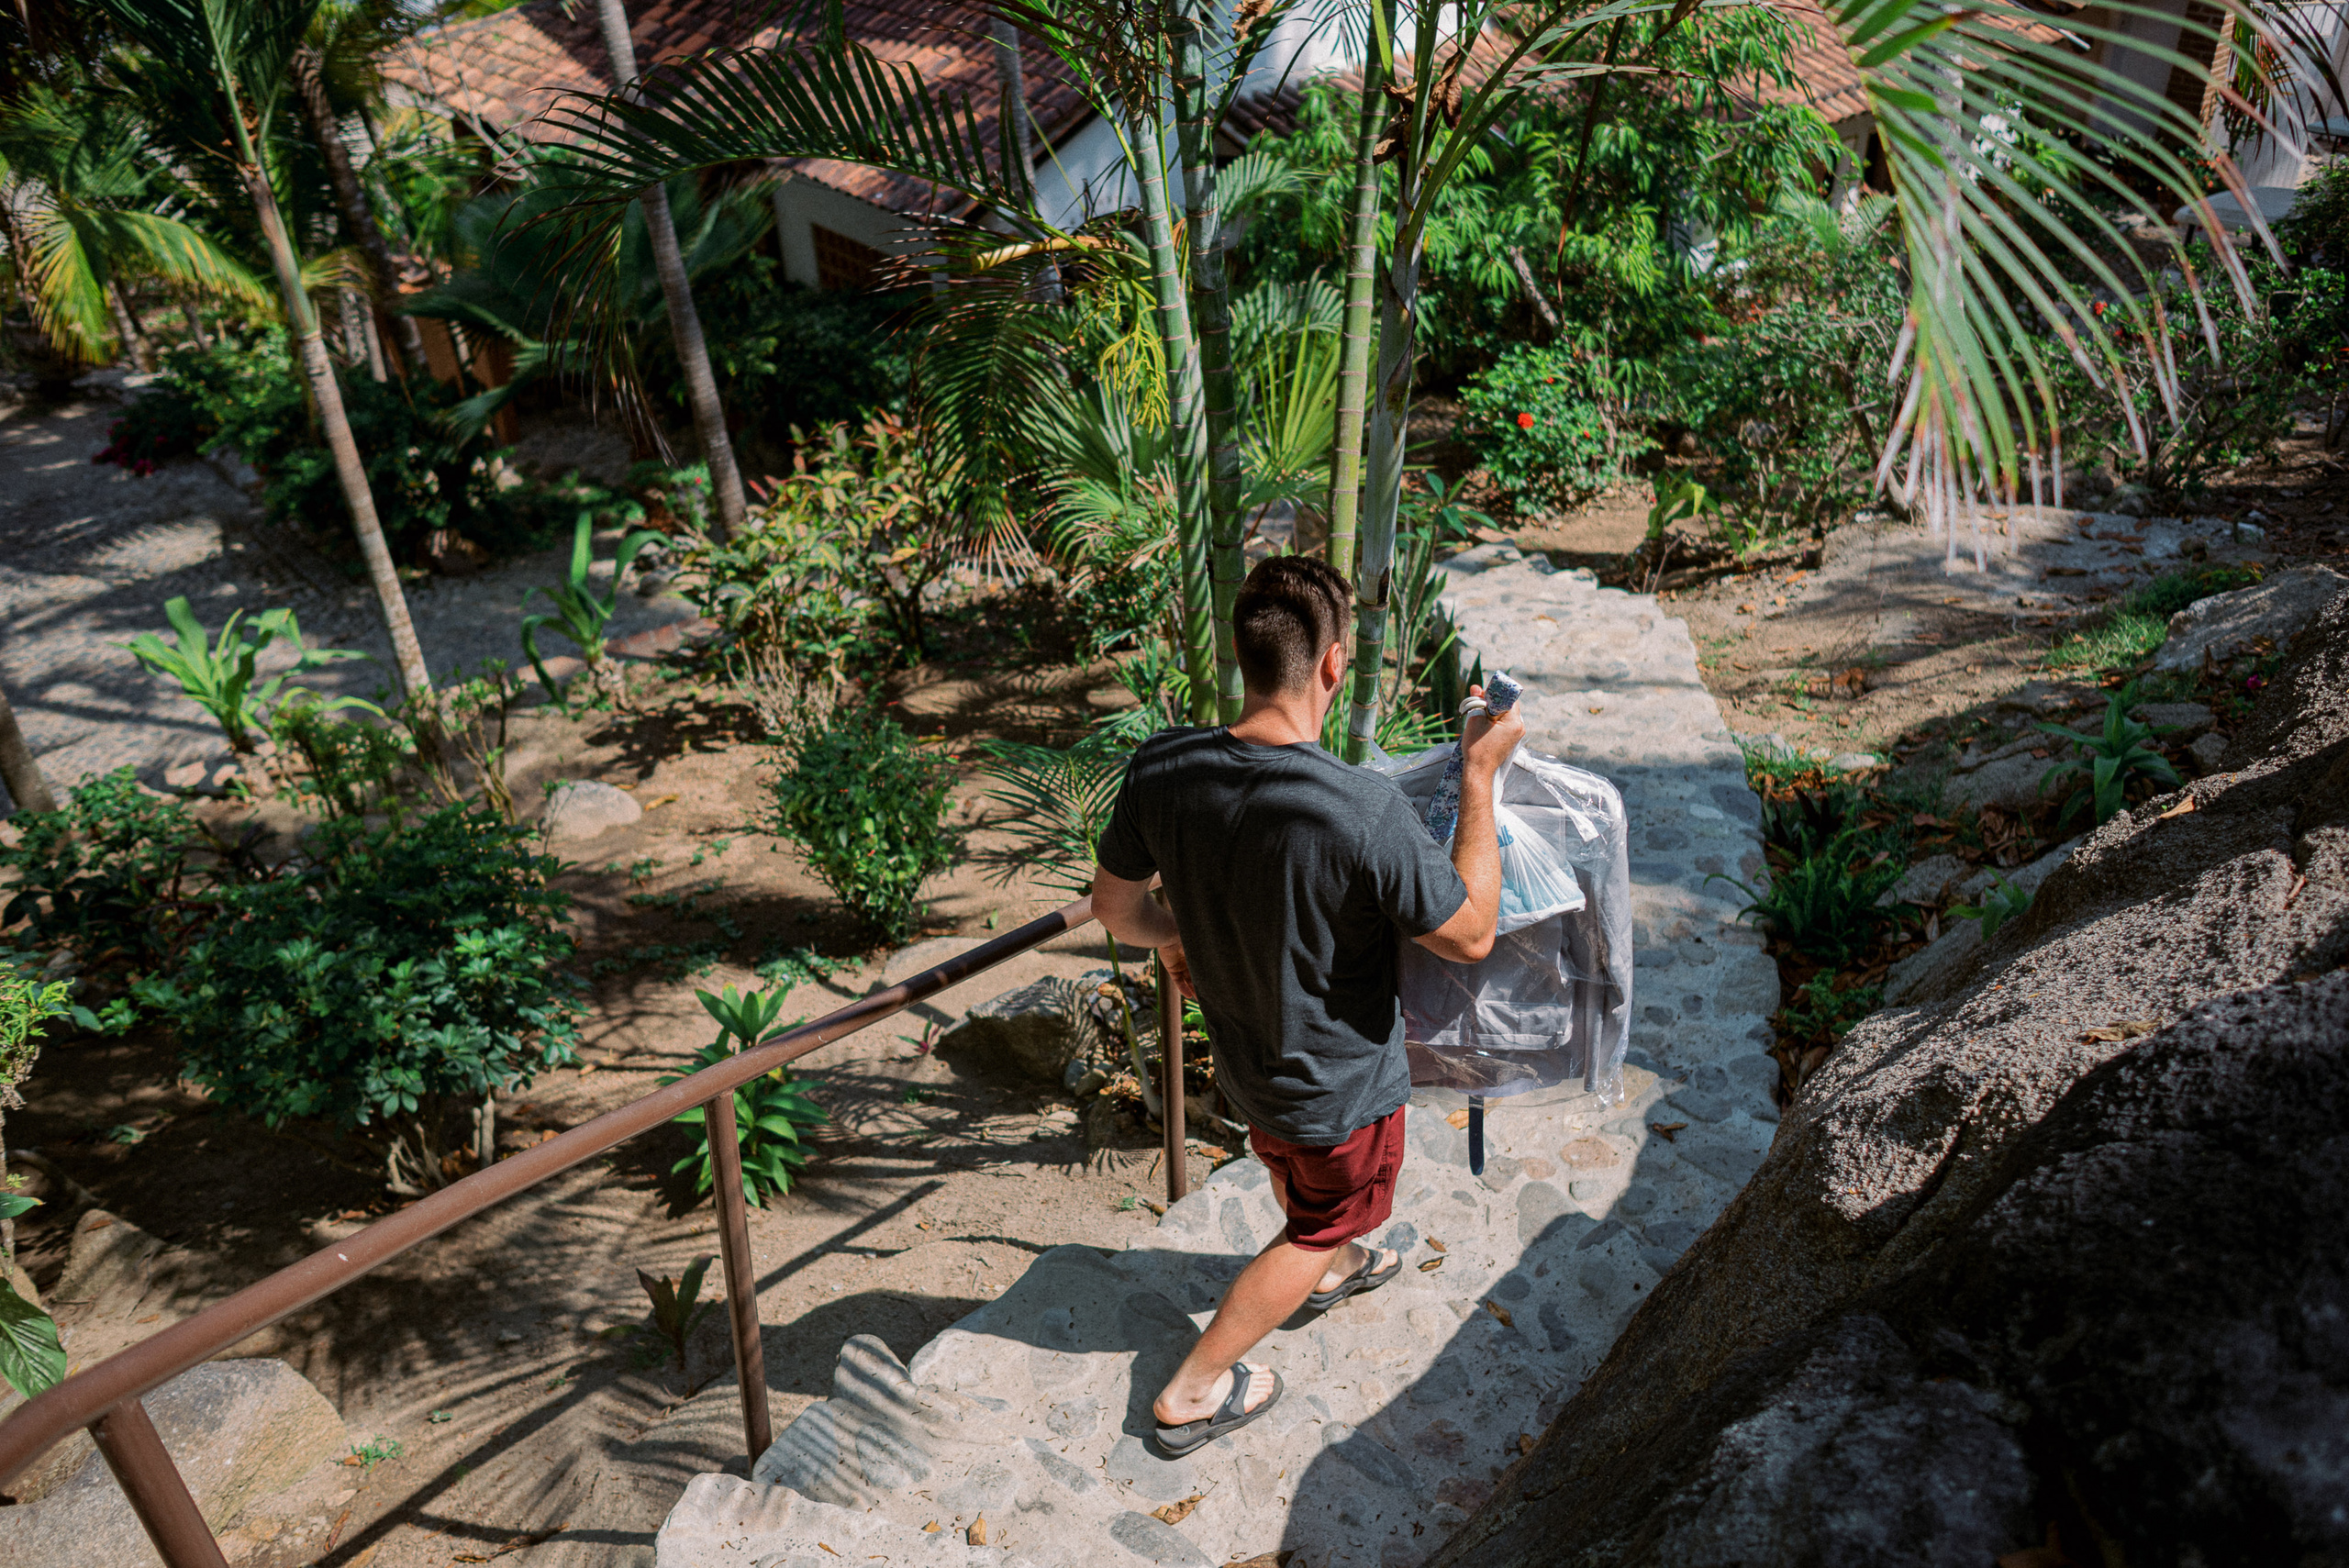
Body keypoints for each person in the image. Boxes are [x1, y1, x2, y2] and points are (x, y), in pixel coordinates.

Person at [1090, 555, 1521, 1456]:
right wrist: (1479, 774)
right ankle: (1195, 1386)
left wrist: (1176, 937)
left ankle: (1336, 1265)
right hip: (1339, 1087)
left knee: (1293, 1165)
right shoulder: (1358, 807)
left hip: (1249, 1064)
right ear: (1333, 664)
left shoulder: (1164, 766)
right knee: (1323, 1220)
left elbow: (1117, 910)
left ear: (1242, 654)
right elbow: (1473, 931)